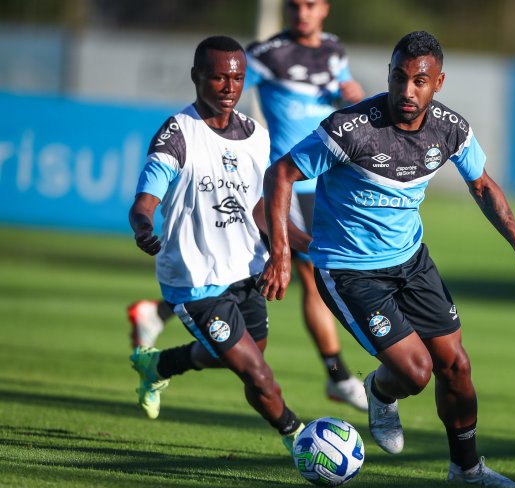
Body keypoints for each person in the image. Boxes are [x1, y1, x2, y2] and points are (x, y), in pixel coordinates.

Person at [261, 31, 515, 488]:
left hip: (411, 261)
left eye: (419, 81)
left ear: (437, 82)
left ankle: (467, 469)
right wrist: (282, 254)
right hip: (350, 271)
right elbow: (280, 173)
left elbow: (482, 185)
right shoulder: (350, 129)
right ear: (389, 75)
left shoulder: (450, 129)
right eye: (399, 78)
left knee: (456, 365)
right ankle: (381, 391)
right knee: (415, 372)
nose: (407, 90)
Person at [127, 0, 368, 412]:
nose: (301, 12)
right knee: (308, 275)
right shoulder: (266, 54)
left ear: (325, 8)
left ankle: (159, 327)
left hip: (322, 182)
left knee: (250, 335)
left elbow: (345, 97)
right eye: (294, 5)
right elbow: (225, 88)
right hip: (284, 180)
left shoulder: (334, 51)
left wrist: (353, 96)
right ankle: (338, 376)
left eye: (310, 4)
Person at [128, 35, 305, 453]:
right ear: (196, 77)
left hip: (246, 271)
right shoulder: (177, 134)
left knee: (239, 356)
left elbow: (260, 209)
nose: (229, 88)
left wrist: (303, 245)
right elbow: (143, 202)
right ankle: (303, 441)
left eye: (237, 78)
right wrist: (142, 226)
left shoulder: (257, 138)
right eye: (218, 78)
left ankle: (158, 364)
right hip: (195, 281)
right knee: (258, 374)